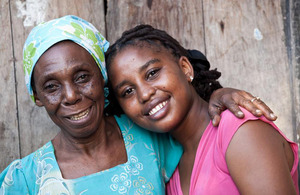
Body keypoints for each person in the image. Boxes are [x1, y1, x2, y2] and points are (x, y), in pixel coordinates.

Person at [0, 15, 276, 194]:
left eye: (83, 77)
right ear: (36, 96)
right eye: (51, 86)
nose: (71, 95)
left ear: (102, 80)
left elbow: (198, 126)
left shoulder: (148, 139)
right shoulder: (23, 180)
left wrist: (217, 94)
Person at [105, 24, 299, 194]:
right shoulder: (167, 164)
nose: (144, 94)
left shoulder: (238, 130)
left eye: (152, 73)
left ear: (185, 68)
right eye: (128, 91)